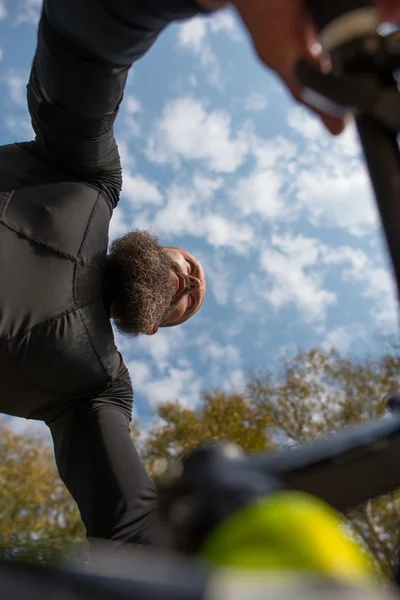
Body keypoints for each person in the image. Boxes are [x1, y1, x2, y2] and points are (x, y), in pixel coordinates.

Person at [0, 0, 395, 549]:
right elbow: (81, 42)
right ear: (162, 244)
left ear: (156, 327)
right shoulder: (85, 174)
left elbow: (136, 533)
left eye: (190, 303)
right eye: (193, 269)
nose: (192, 285)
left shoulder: (96, 388)